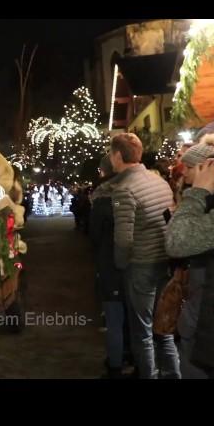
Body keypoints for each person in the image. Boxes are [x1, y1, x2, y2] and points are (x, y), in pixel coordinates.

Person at [110, 133, 180, 379]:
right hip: (164, 261)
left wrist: (120, 264)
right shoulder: (159, 182)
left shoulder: (123, 189)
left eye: (111, 154)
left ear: (118, 155)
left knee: (143, 331)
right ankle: (173, 373)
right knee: (165, 328)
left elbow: (123, 238)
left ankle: (149, 375)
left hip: (140, 265)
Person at [166, 135, 214, 378]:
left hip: (208, 324)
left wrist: (198, 193)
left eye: (190, 166)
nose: (183, 170)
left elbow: (178, 241)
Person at [89, 155, 130, 378]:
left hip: (111, 263)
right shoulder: (140, 188)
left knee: (114, 316)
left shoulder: (104, 199)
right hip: (140, 263)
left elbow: (94, 234)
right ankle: (133, 356)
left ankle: (115, 363)